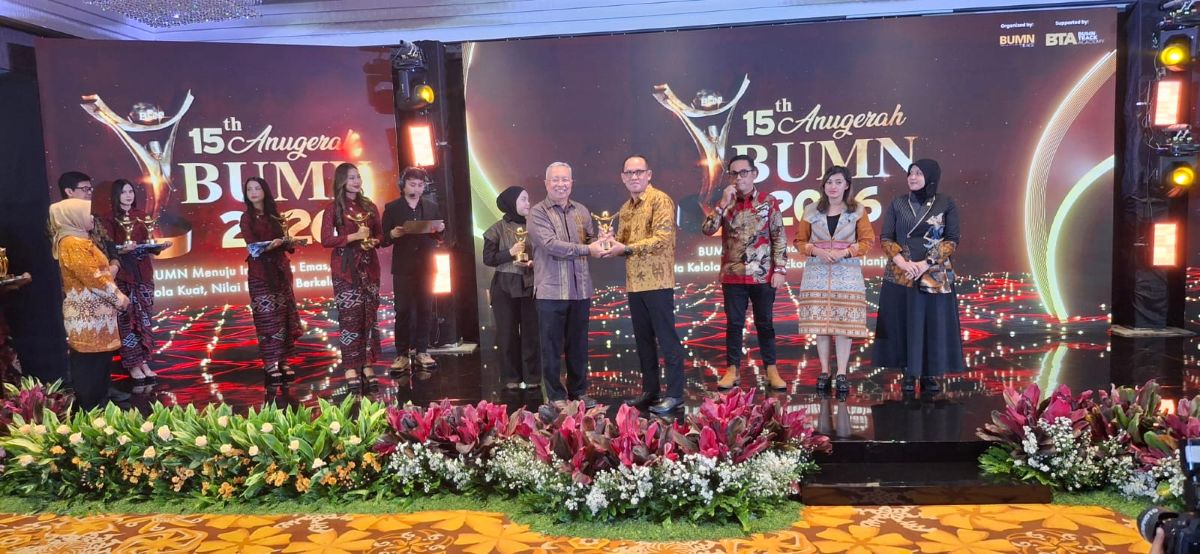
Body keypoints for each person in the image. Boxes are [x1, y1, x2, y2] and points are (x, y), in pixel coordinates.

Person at [601, 155, 685, 414]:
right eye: (629, 173)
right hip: (635, 284)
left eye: (639, 172)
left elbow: (661, 239)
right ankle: (651, 390)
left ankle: (675, 394)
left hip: (658, 282)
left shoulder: (660, 200)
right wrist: (609, 240)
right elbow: (623, 242)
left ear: (649, 174)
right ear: (623, 177)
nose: (634, 176)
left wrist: (625, 248)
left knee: (667, 339)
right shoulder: (626, 208)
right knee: (644, 341)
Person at [874, 158, 964, 395]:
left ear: (931, 177)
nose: (912, 178)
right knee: (903, 323)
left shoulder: (945, 202)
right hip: (902, 272)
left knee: (931, 324)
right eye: (910, 173)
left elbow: (952, 239)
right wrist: (903, 263)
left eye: (918, 173)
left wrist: (925, 263)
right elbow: (886, 237)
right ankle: (908, 371)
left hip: (933, 273)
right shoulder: (898, 203)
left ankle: (928, 373)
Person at [702, 154, 789, 391]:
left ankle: (771, 369)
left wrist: (780, 269)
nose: (739, 178)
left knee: (765, 323)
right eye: (734, 173)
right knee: (734, 324)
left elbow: (779, 236)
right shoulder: (725, 203)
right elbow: (707, 229)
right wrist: (722, 203)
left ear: (754, 174)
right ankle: (732, 370)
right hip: (733, 275)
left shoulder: (768, 202)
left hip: (762, 274)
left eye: (744, 172)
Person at [528, 162, 607, 409]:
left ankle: (578, 392)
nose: (561, 184)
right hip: (551, 291)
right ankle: (555, 396)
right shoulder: (537, 213)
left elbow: (591, 239)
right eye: (556, 179)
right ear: (546, 183)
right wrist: (589, 249)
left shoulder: (581, 210)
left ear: (572, 183)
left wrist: (604, 240)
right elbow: (551, 245)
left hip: (580, 290)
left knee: (578, 346)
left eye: (565, 179)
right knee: (551, 348)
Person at [793, 166, 874, 398]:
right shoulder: (811, 209)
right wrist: (815, 250)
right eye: (829, 182)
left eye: (838, 182)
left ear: (847, 185)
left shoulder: (857, 210)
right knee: (821, 325)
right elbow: (799, 241)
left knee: (842, 325)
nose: (833, 187)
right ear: (823, 185)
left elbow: (867, 241)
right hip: (816, 273)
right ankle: (824, 371)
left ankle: (842, 373)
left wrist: (845, 252)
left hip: (846, 274)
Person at [51, 198, 128, 410]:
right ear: (73, 217)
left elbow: (98, 274)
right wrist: (119, 298)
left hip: (98, 317)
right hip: (88, 318)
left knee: (100, 367)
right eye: (87, 213)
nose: (92, 217)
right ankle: (90, 415)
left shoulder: (80, 240)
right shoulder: (71, 244)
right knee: (90, 370)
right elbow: (94, 279)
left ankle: (99, 413)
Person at [319, 162, 383, 392]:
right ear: (341, 181)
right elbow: (326, 239)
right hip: (345, 270)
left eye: (358, 177)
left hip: (369, 268)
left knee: (369, 317)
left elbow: (380, 234)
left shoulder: (369, 206)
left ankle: (367, 364)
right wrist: (353, 237)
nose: (356, 181)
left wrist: (373, 240)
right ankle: (350, 367)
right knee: (350, 318)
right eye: (351, 177)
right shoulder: (333, 208)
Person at [380, 167, 445, 374]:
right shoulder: (392, 208)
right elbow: (383, 238)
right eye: (412, 184)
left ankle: (422, 351)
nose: (416, 188)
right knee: (403, 310)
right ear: (403, 185)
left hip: (426, 265)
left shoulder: (431, 206)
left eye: (420, 185)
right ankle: (401, 354)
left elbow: (440, 236)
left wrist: (440, 230)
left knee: (425, 308)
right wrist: (393, 234)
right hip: (403, 267)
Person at [240, 177, 304, 386]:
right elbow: (252, 246)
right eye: (249, 189)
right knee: (266, 318)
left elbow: (285, 244)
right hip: (260, 273)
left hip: (280, 271)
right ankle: (269, 362)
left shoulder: (276, 216)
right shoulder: (246, 218)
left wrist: (287, 242)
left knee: (283, 317)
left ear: (265, 191)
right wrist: (270, 245)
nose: (253, 192)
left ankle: (284, 360)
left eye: (257, 188)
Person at [99, 179, 160, 386]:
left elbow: (148, 242)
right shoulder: (108, 219)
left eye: (131, 191)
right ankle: (133, 364)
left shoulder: (142, 216)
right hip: (123, 275)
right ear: (116, 195)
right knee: (126, 322)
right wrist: (121, 250)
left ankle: (144, 361)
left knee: (145, 320)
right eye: (124, 192)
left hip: (143, 275)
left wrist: (156, 246)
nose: (128, 196)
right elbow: (106, 248)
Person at [481, 186, 539, 390]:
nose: (528, 204)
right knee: (507, 333)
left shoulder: (535, 227)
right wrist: (510, 252)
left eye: (528, 199)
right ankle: (511, 377)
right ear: (511, 202)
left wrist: (534, 262)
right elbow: (488, 259)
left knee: (532, 333)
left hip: (530, 284)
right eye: (523, 199)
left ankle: (532, 377)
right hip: (504, 286)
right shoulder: (496, 229)